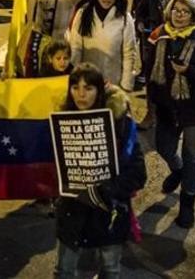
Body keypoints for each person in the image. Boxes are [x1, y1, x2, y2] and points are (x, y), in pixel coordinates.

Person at [53, 64, 147, 278]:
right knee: (64, 270)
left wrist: (106, 189)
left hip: (109, 213)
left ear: (100, 91)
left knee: (110, 269)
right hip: (72, 213)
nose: (81, 94)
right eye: (75, 87)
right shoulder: (61, 123)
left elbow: (138, 174)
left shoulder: (121, 125)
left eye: (88, 88)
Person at [146, 0, 195, 229]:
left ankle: (188, 204)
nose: (179, 15)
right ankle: (177, 171)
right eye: (176, 10)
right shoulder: (159, 35)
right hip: (168, 108)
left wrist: (189, 70)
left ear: (194, 16)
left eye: (185, 11)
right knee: (164, 146)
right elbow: (149, 71)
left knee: (194, 157)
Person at [69, 0, 138, 91]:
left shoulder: (125, 18)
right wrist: (73, 79)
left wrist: (125, 86)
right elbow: (75, 48)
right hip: (86, 84)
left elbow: (129, 54)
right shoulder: (82, 14)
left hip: (113, 85)